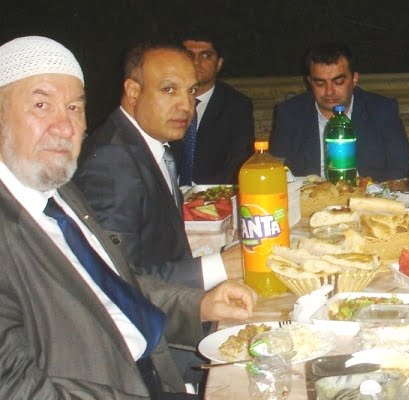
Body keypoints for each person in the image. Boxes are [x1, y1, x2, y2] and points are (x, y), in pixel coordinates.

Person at [0, 35, 255, 399]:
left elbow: (113, 283)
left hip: (153, 375)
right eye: (41, 105)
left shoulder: (59, 193)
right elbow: (16, 388)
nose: (65, 126)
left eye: (74, 107)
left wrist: (198, 305)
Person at [75, 42, 229, 290]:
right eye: (169, 89)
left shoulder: (149, 143)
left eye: (191, 91)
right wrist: (220, 267)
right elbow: (115, 280)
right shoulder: (111, 163)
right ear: (133, 91)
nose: (186, 105)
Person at [270, 42, 409, 181]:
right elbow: (276, 170)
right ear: (310, 82)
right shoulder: (290, 113)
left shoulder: (382, 110)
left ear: (354, 79)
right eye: (320, 83)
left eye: (338, 82)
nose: (329, 91)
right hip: (308, 194)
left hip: (367, 193)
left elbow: (402, 169)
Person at [167, 30, 254, 185]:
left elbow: (238, 161)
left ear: (219, 63)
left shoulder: (236, 105)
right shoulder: (163, 99)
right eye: (189, 55)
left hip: (214, 193)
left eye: (206, 55)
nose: (196, 62)